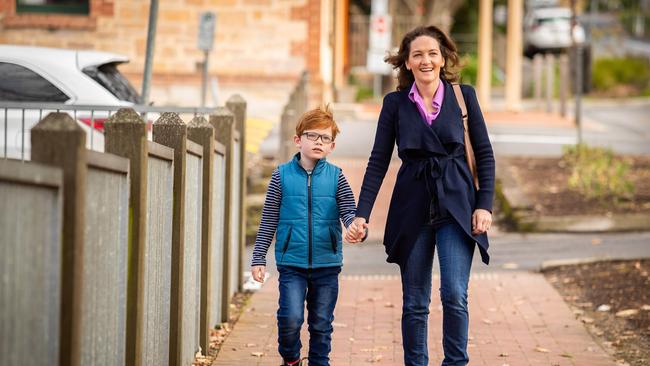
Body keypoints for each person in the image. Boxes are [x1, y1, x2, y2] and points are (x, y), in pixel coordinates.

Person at [347, 25, 496, 366]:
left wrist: (484, 204)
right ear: (407, 63)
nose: (426, 60)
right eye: (418, 55)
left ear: (443, 59)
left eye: (432, 53)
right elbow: (378, 161)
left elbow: (484, 154)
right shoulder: (395, 103)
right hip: (412, 209)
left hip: (457, 207)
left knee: (454, 294)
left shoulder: (464, 97)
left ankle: (455, 362)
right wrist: (361, 213)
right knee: (415, 301)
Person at [251, 106, 365, 366]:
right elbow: (269, 218)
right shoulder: (281, 175)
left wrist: (354, 226)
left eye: (325, 138)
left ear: (332, 146)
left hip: (327, 263)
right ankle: (291, 359)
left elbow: (349, 210)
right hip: (292, 263)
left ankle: (319, 361)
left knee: (322, 322)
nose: (318, 142)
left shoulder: (337, 177)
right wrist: (258, 258)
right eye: (312, 136)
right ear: (298, 140)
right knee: (290, 318)